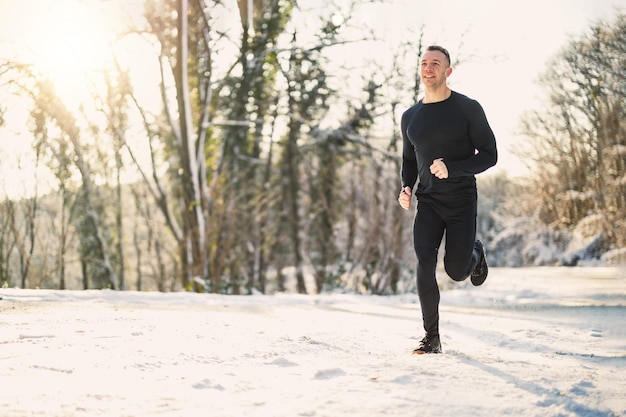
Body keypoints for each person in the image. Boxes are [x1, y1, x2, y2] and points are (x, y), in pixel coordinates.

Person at [398, 45, 497, 354]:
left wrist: (452, 168)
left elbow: (491, 156)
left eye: (435, 64)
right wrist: (406, 186)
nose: (429, 68)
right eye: (424, 63)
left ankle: (475, 253)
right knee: (424, 264)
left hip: (461, 201)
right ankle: (432, 337)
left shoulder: (468, 108)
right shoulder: (410, 116)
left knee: (455, 270)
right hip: (428, 203)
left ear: (448, 71)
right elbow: (409, 159)